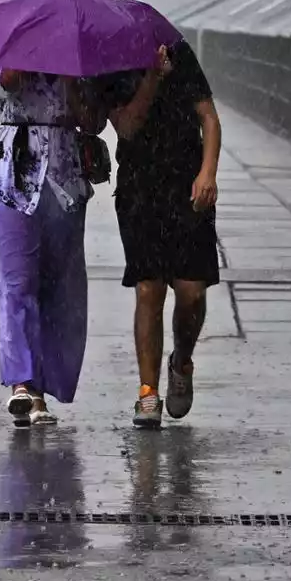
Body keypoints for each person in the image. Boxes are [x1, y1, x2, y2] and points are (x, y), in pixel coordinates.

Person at [0, 53, 167, 428]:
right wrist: (32, 55)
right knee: (18, 282)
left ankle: (40, 394)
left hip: (65, 179)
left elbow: (93, 122)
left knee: (58, 287)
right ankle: (21, 383)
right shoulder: (13, 51)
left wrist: (72, 80)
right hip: (16, 173)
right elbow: (10, 82)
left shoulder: (77, 64)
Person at [95, 40, 222, 429]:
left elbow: (210, 118)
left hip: (186, 187)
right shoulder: (112, 65)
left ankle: (182, 360)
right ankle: (148, 393)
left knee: (191, 292)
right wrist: (151, 76)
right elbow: (128, 126)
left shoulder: (179, 54)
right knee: (149, 289)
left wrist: (208, 173)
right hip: (140, 190)